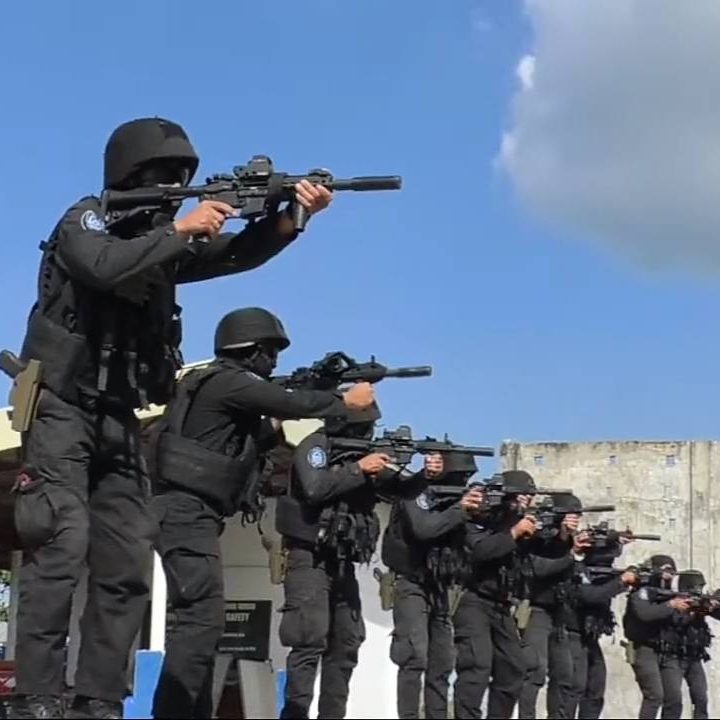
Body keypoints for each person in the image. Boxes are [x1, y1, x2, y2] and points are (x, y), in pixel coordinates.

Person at [8, 117, 332, 720]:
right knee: (61, 540)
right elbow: (102, 265)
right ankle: (36, 697)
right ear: (130, 175)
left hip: (118, 416)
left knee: (126, 557)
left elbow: (233, 254)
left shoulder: (164, 244)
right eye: (163, 178)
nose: (174, 193)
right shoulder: (87, 219)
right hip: (60, 404)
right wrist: (182, 229)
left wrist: (289, 218)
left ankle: (100, 698)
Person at [149, 307, 375, 719]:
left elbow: (262, 432)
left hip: (191, 513)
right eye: (270, 353)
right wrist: (342, 400)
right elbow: (287, 402)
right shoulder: (226, 381)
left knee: (201, 623)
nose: (273, 362)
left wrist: (309, 392)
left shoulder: (218, 390)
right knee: (200, 619)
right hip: (184, 512)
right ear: (250, 349)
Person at [276, 400, 391, 719]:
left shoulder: (357, 456)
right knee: (308, 638)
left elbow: (399, 491)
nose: (368, 433)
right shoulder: (315, 446)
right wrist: (358, 469)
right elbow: (314, 488)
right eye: (364, 426)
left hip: (341, 561)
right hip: (308, 557)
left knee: (346, 642)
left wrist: (419, 475)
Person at [453, 470, 573, 720]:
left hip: (502, 605)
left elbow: (545, 552)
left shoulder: (519, 522)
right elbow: (480, 550)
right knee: (476, 666)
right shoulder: (481, 516)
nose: (527, 500)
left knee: (513, 668)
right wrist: (514, 533)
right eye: (522, 495)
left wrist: (563, 536)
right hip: (473, 599)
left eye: (530, 496)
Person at [382, 452, 484, 719]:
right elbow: (424, 528)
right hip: (410, 582)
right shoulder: (416, 492)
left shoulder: (453, 503)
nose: (462, 483)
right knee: (413, 656)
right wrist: (460, 509)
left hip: (439, 587)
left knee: (442, 662)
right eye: (458, 477)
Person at [517, 493, 580, 720]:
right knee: (535, 670)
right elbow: (541, 567)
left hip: (558, 613)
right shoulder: (535, 536)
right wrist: (568, 550)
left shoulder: (565, 540)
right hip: (536, 608)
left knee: (564, 675)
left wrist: (567, 538)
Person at [563, 537, 637, 719]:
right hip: (571, 633)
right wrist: (620, 581)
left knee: (596, 687)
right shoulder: (577, 570)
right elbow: (590, 595)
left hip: (589, 637)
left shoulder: (604, 575)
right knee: (575, 686)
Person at [623, 555, 693, 720]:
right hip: (644, 648)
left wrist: (693, 611)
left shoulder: (672, 595)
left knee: (674, 699)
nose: (668, 576)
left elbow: (678, 622)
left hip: (667, 650)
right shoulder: (642, 592)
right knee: (654, 695)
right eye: (664, 571)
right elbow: (645, 614)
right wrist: (671, 605)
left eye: (672, 571)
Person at [659, 569, 720, 720]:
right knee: (673, 701)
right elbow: (675, 622)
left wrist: (712, 606)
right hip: (672, 656)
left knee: (701, 699)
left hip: (694, 657)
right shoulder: (671, 601)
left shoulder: (700, 602)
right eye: (696, 587)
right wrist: (692, 611)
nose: (699, 590)